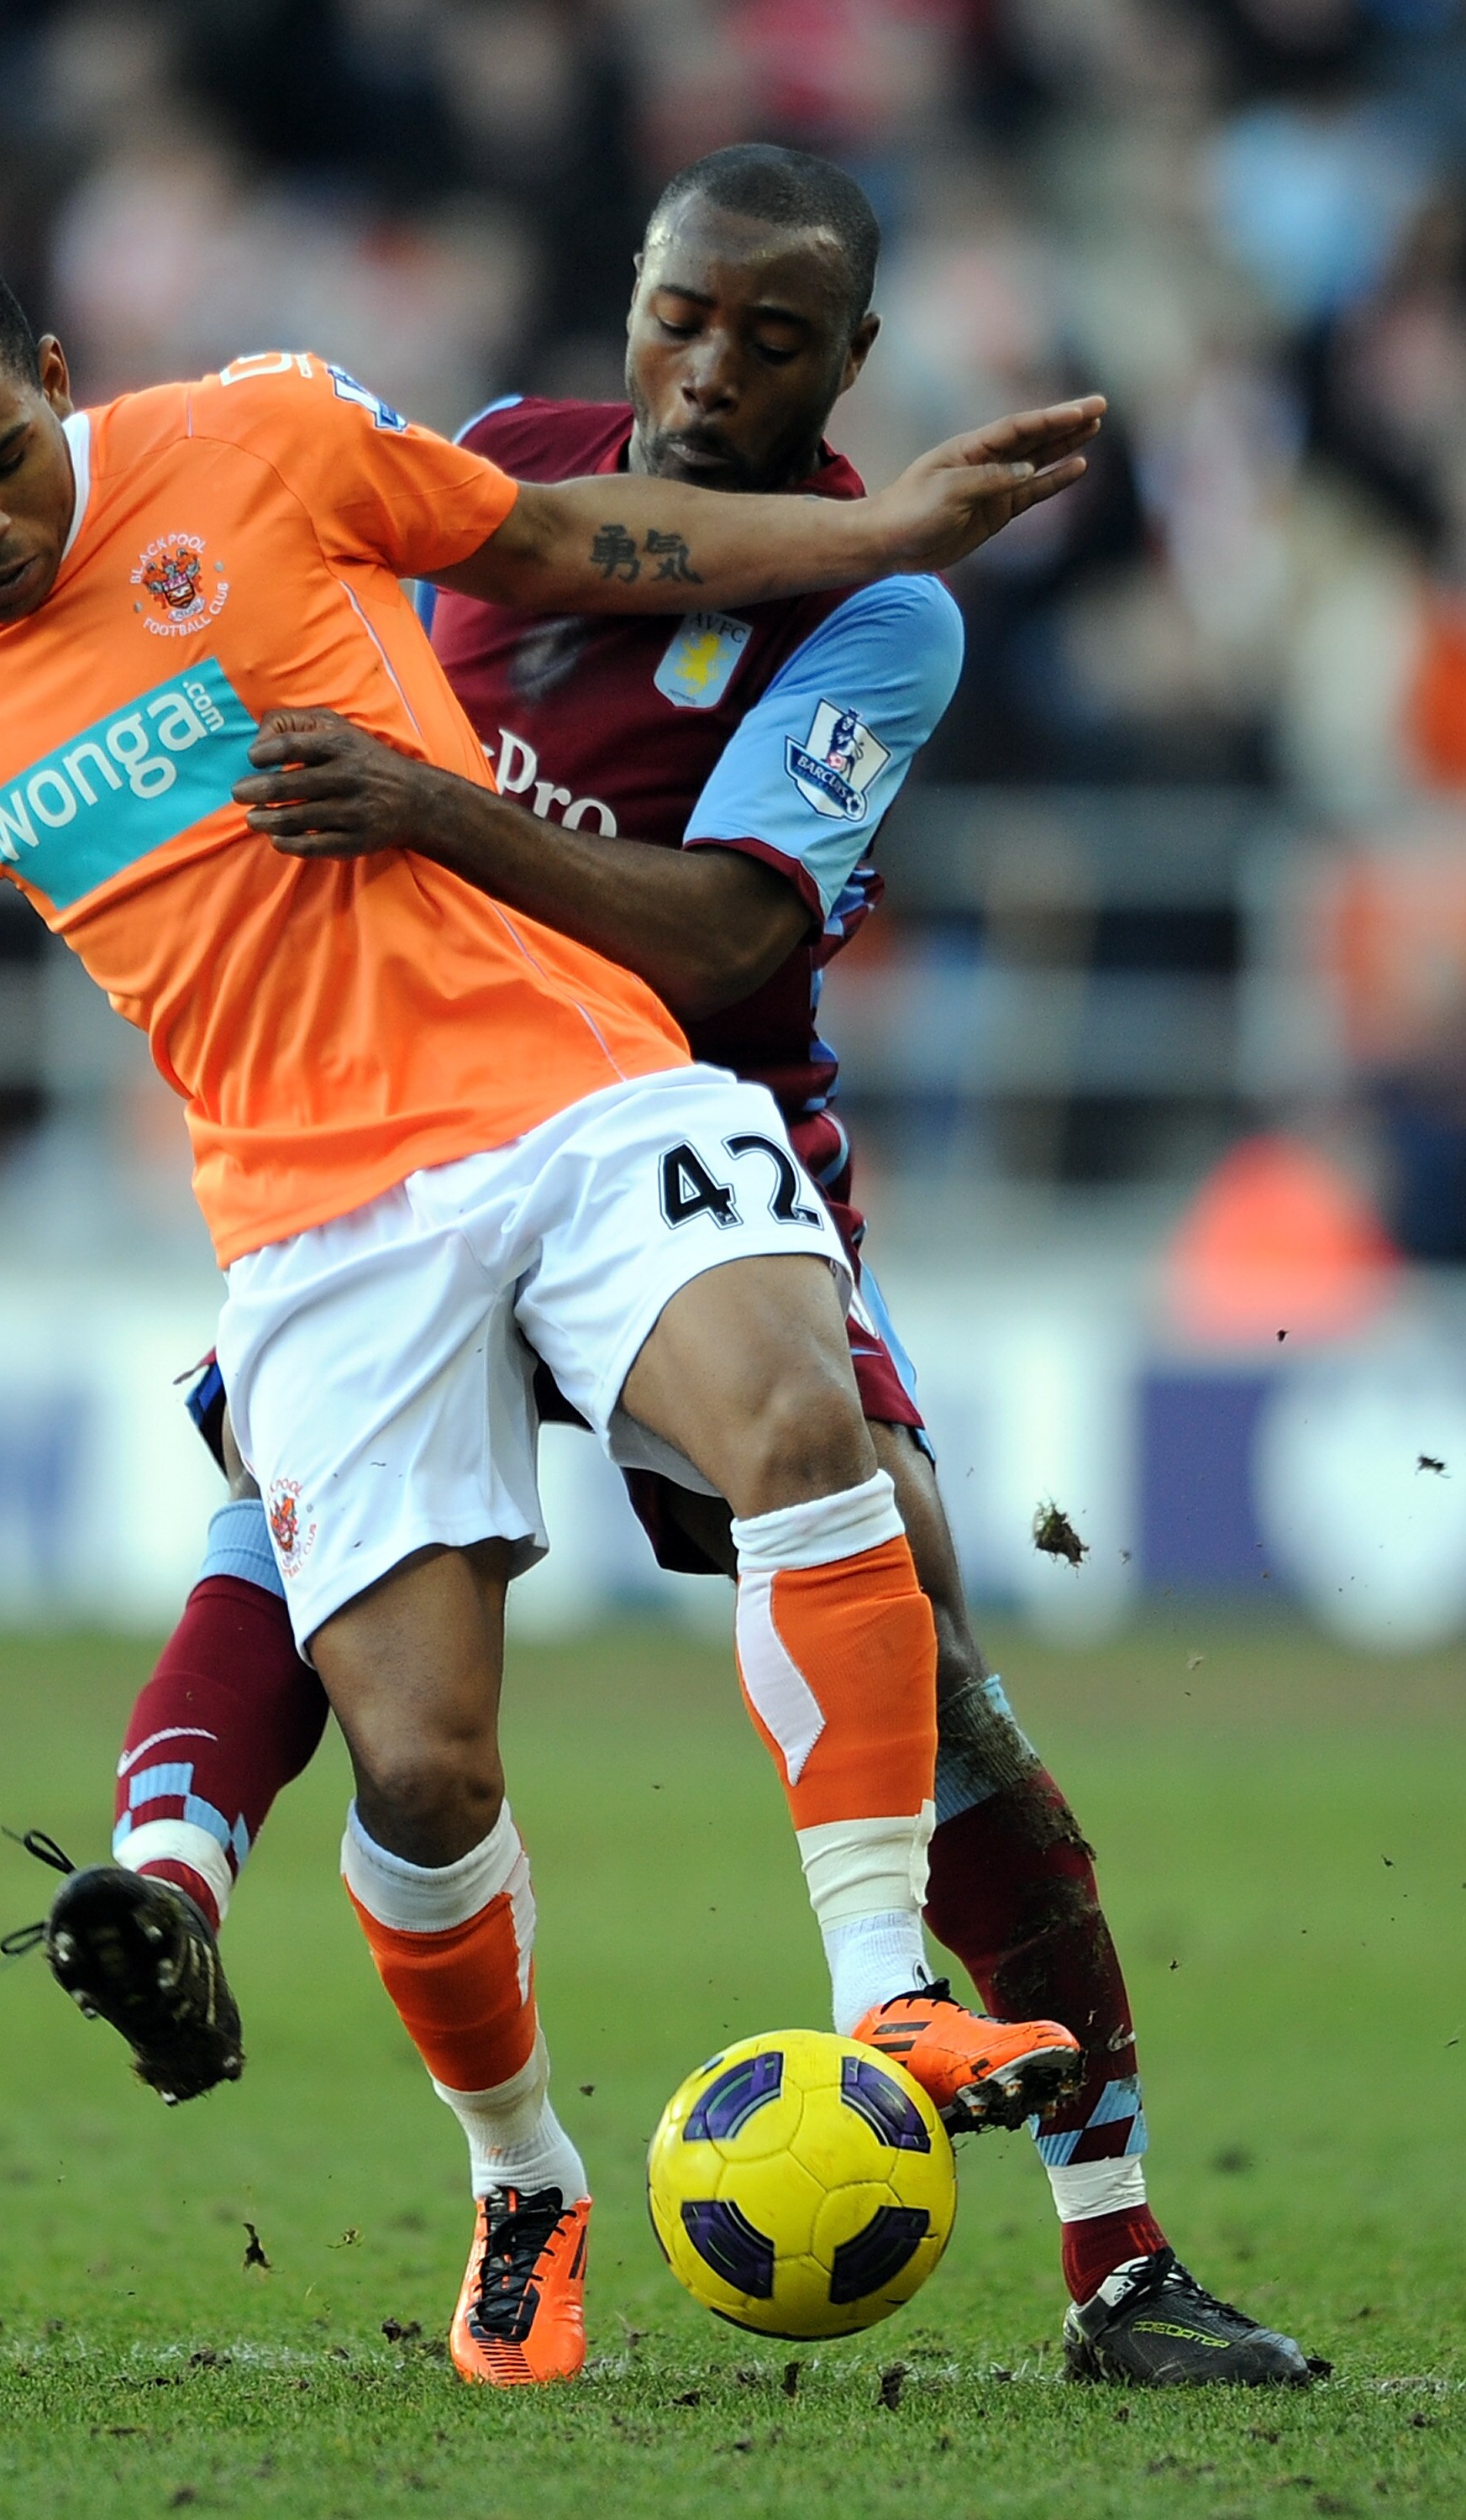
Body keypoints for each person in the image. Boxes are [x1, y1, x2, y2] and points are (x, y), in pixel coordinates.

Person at [66, 148, 1318, 2391]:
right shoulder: (516, 477)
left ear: (852, 363)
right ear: (624, 305)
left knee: (915, 1607)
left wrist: (439, 811)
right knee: (339, 1591)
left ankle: (1118, 2256)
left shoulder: (879, 608)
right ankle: (226, 1928)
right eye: (678, 313)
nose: (708, 366)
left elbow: (738, 933)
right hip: (421, 1141)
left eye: (770, 334)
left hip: (684, 1142)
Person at [0, 228, 1102, 2387]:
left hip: (573, 1081)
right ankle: (520, 2182)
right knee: (415, 1771)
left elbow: (582, 534)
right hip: (314, 1217)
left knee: (803, 1428)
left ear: (58, 380)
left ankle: (886, 1985)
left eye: (3, 461)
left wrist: (885, 527)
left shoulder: (261, 433)